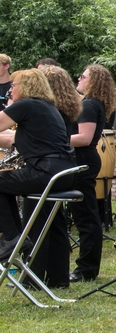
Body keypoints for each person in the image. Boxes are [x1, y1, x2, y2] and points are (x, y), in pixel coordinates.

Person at [0, 70, 76, 267]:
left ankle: (12, 237)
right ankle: (57, 277)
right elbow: (11, 138)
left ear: (26, 87)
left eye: (13, 85)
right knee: (5, 185)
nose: (10, 90)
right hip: (63, 173)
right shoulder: (46, 107)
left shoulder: (26, 105)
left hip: (46, 172)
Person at [26, 66, 81, 287]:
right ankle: (58, 277)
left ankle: (34, 275)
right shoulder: (66, 108)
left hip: (46, 168)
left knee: (36, 220)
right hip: (62, 168)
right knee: (56, 223)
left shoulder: (46, 111)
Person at [69, 64, 116, 282]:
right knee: (85, 215)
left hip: (84, 160)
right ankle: (87, 267)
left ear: (94, 81)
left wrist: (55, 139)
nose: (79, 79)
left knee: (86, 217)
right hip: (85, 160)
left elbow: (84, 138)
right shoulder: (91, 103)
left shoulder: (89, 104)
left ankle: (86, 269)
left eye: (83, 76)